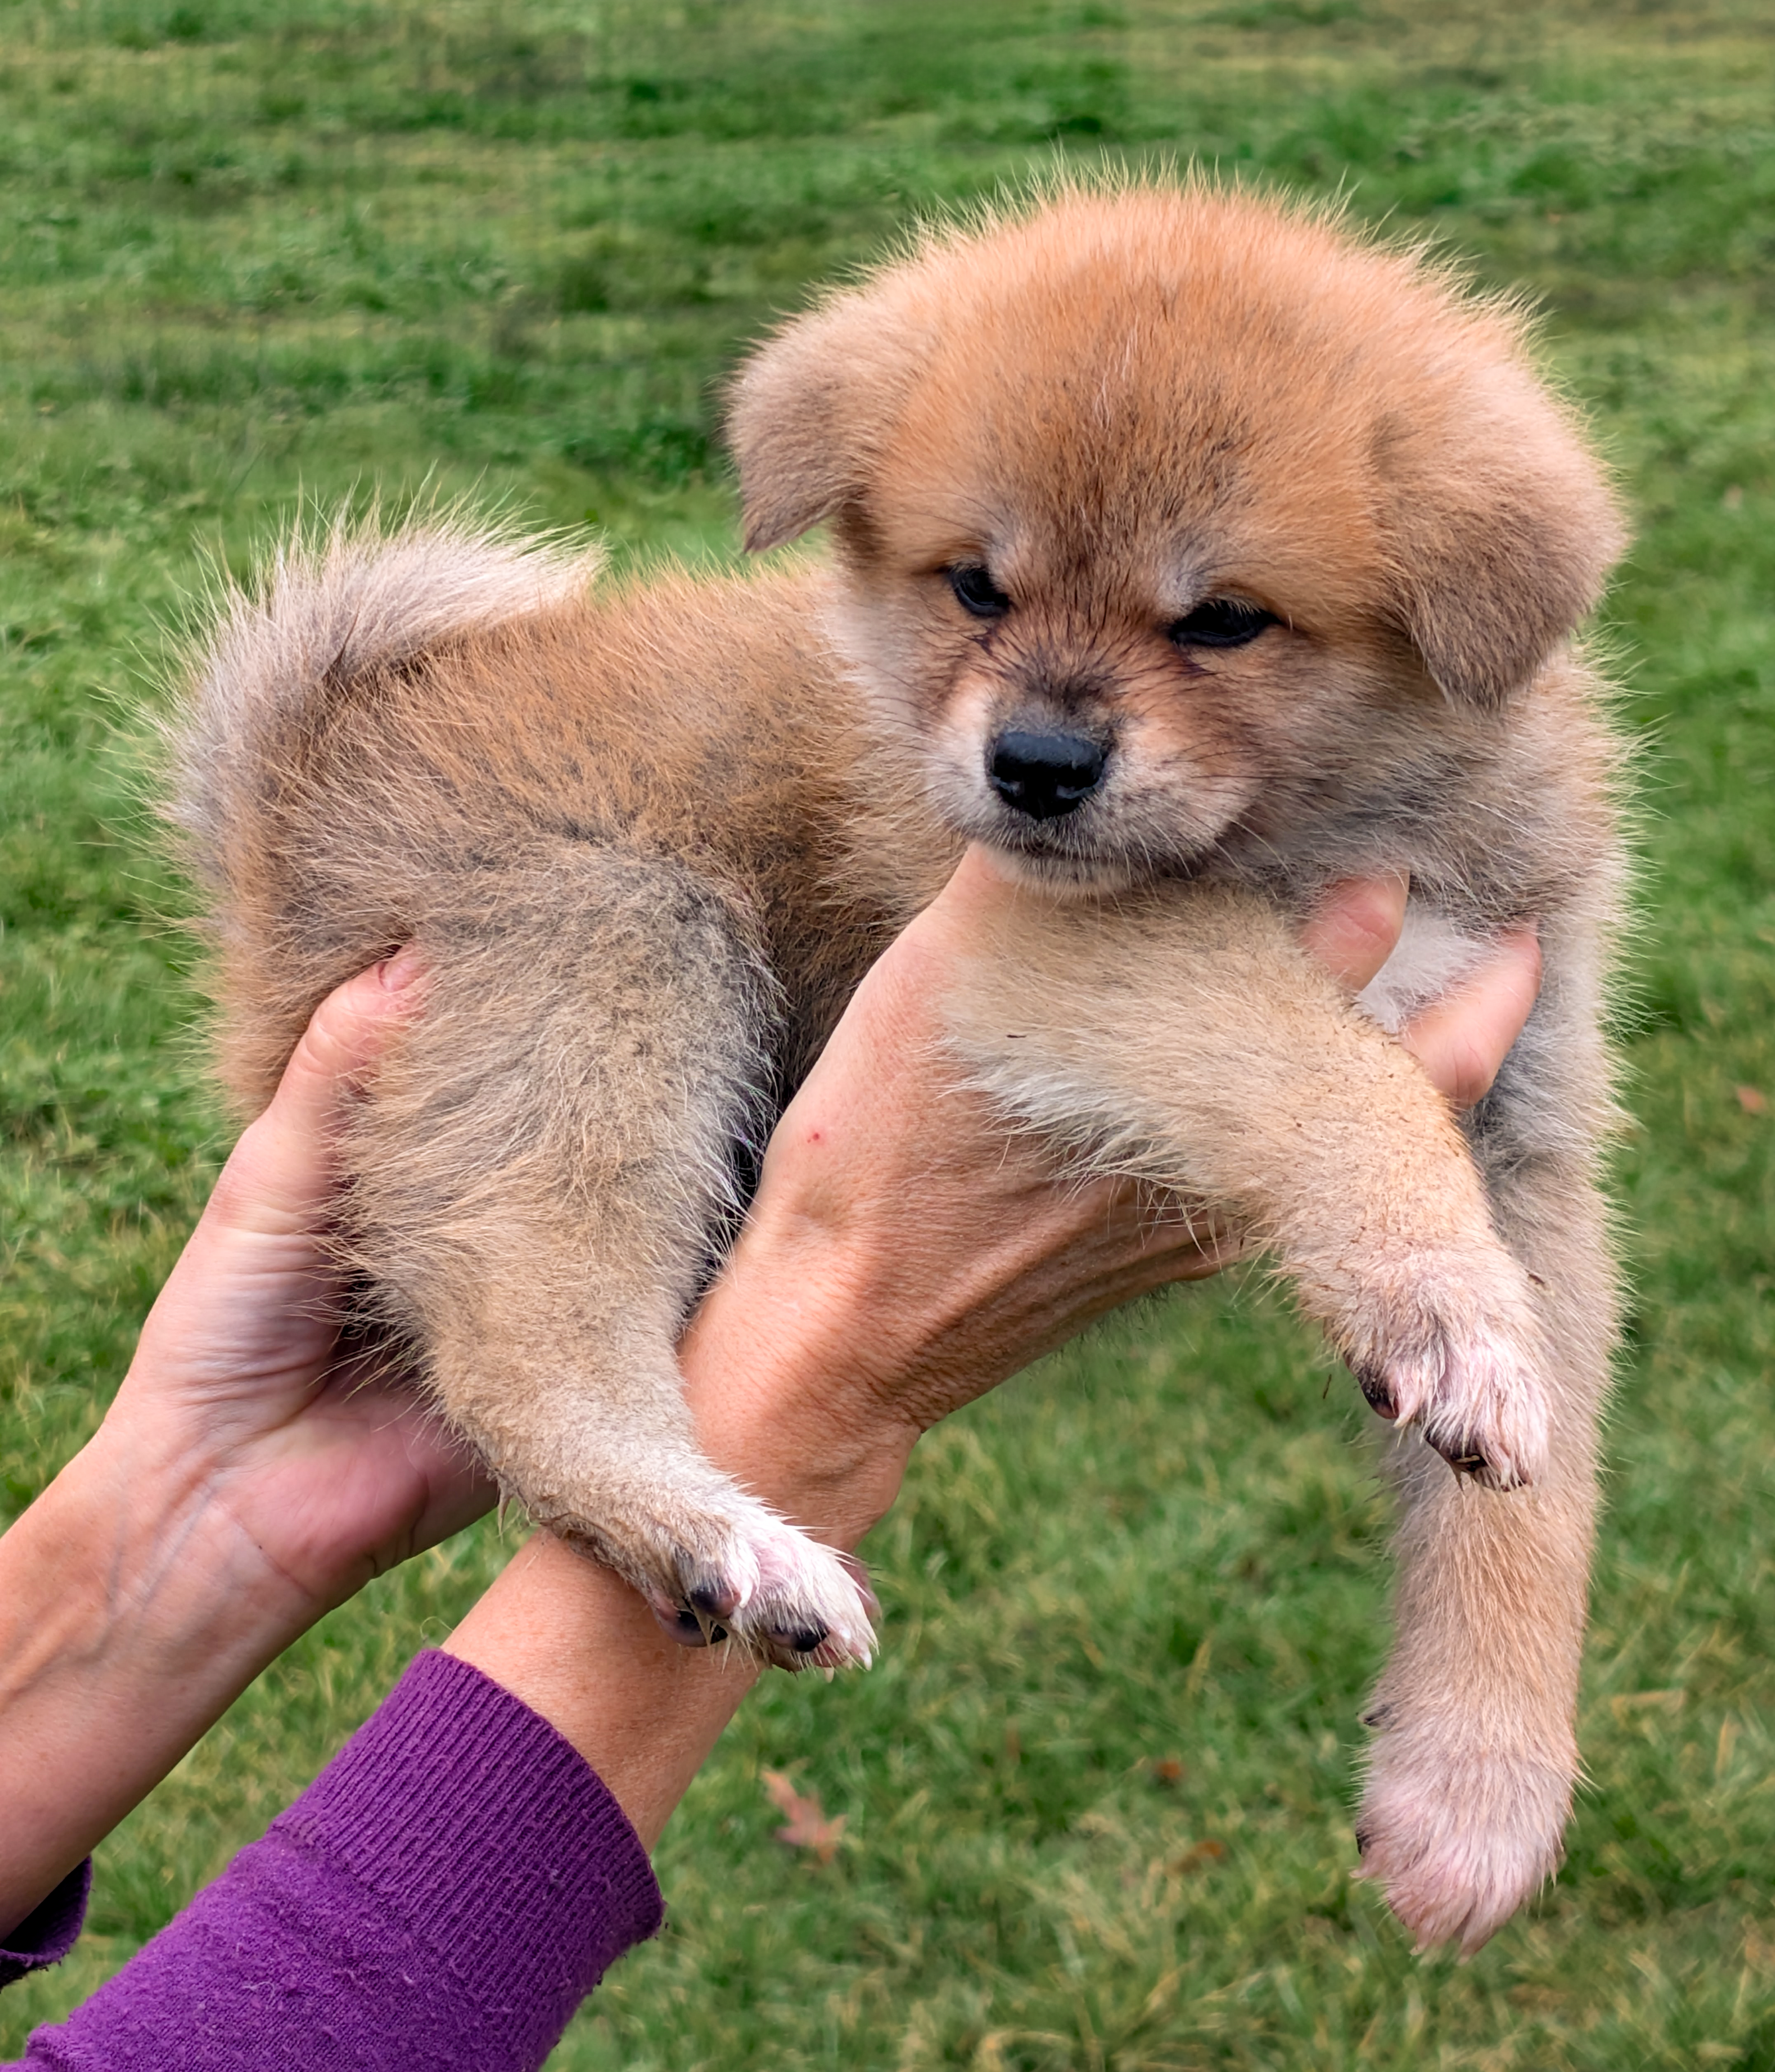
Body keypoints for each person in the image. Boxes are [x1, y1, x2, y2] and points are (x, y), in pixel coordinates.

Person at [0, 855, 1540, 2069]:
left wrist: (195, 1504)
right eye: (975, 592)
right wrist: (824, 1375)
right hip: (613, 886)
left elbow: (1534, 1216)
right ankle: (600, 1449)